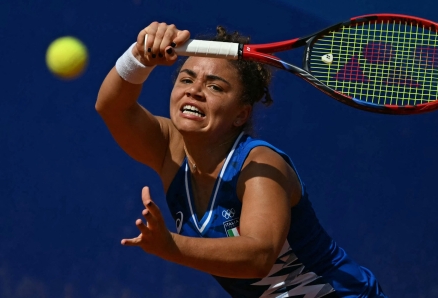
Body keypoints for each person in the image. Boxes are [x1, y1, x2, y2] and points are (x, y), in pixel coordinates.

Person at [95, 21, 387, 298]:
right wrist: (140, 55)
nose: (194, 91)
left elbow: (258, 256)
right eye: (186, 79)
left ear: (241, 114)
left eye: (215, 87)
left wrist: (169, 245)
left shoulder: (260, 165)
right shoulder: (168, 147)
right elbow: (112, 107)